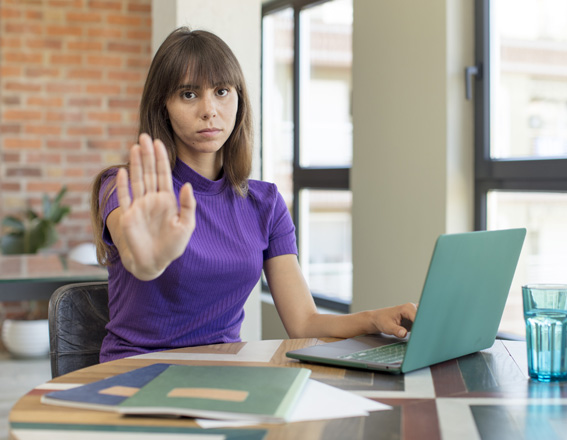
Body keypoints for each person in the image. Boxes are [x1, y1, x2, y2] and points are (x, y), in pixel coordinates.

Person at [91, 27, 417, 362]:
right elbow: (136, 256)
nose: (209, 109)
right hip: (136, 372)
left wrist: (373, 319)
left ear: (239, 99)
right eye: (188, 94)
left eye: (221, 91)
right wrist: (150, 261)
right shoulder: (127, 186)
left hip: (222, 375)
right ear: (163, 106)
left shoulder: (265, 203)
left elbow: (304, 322)